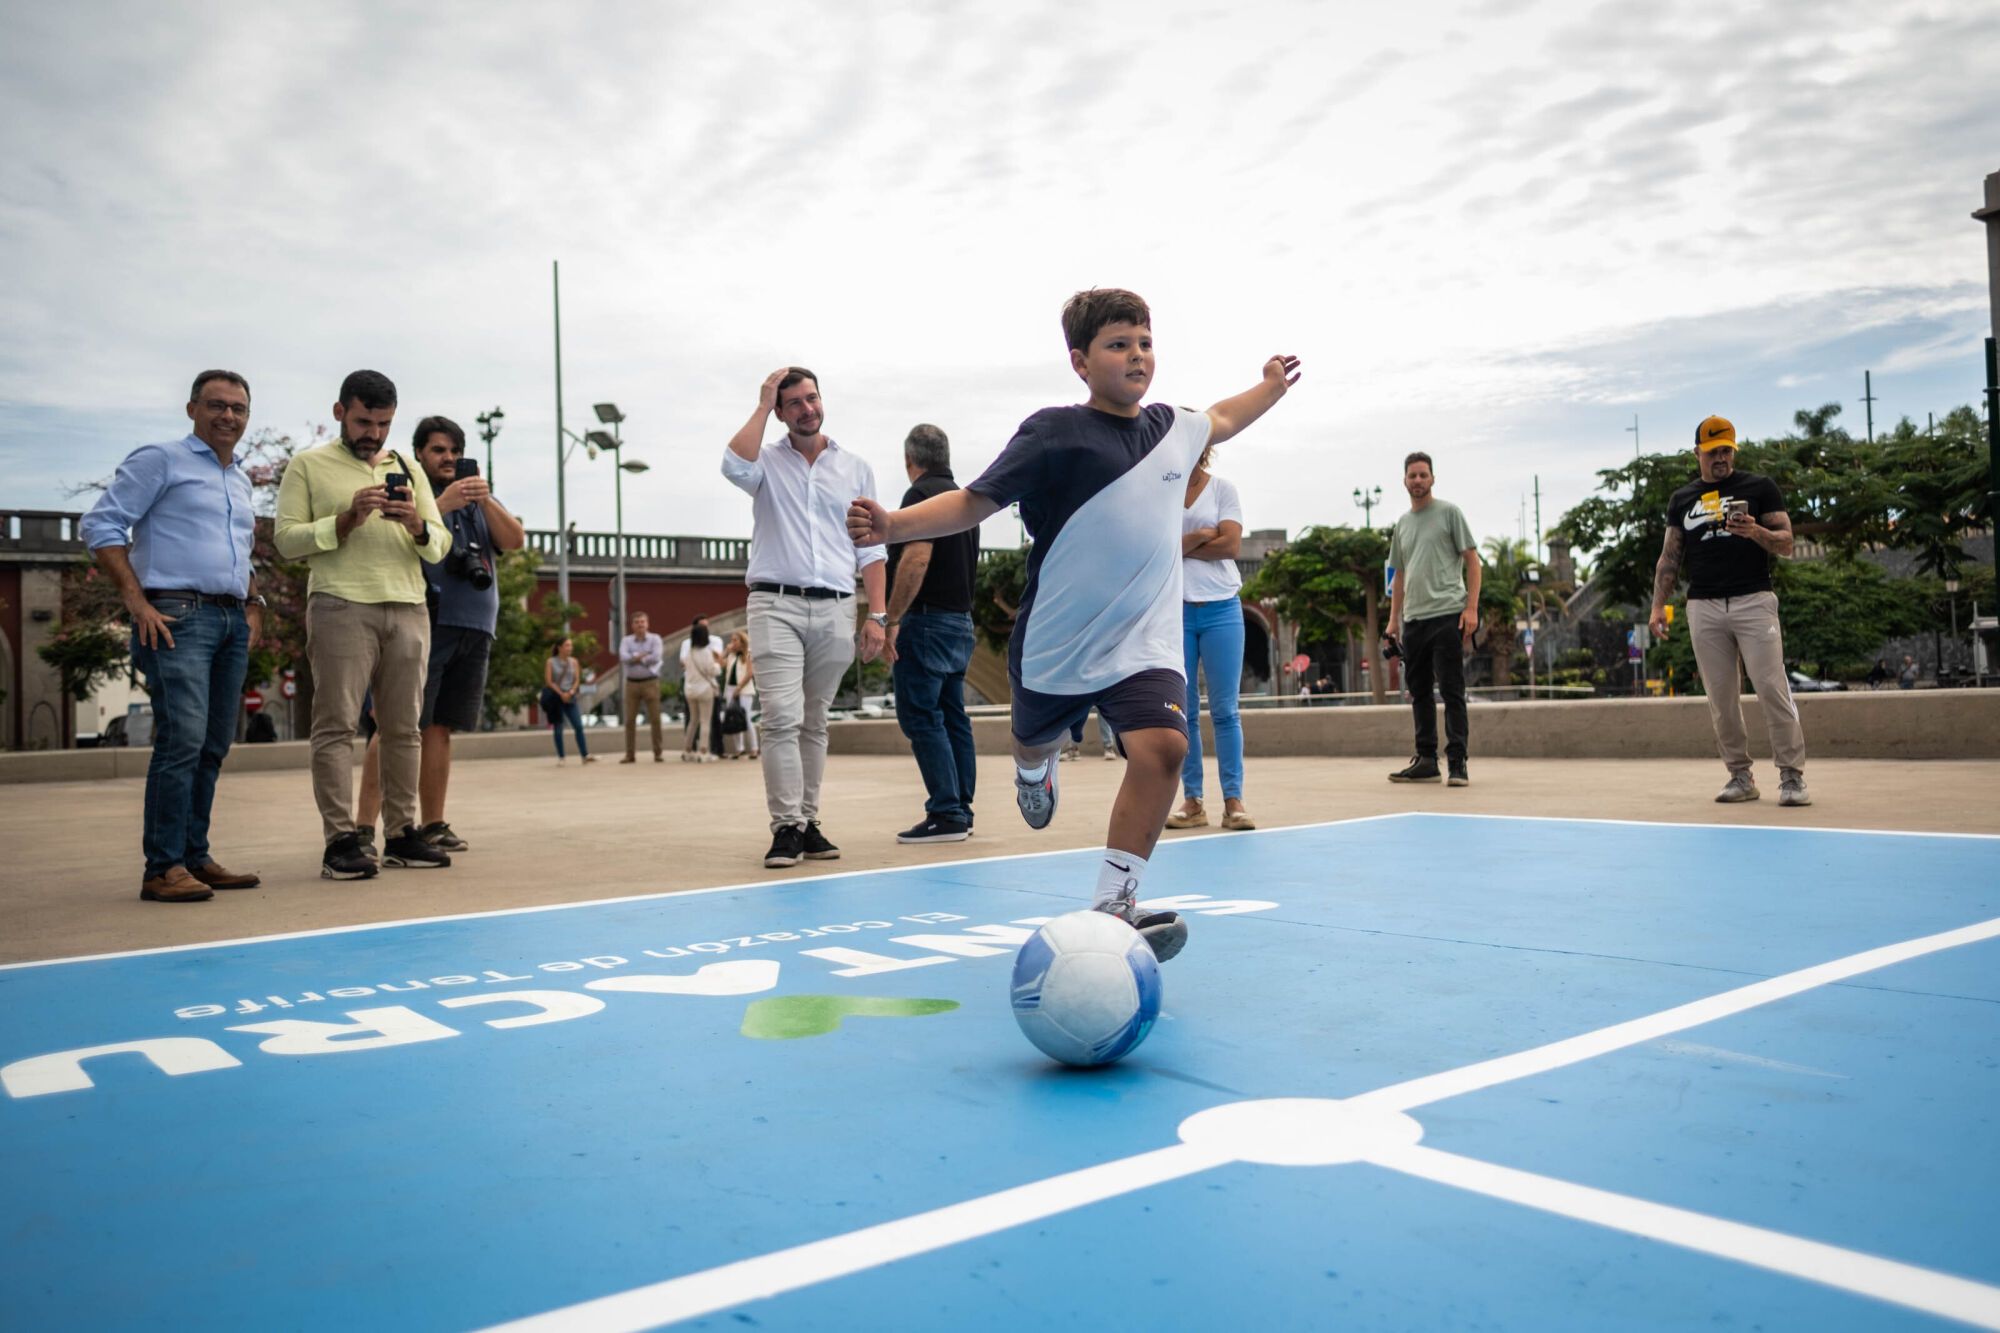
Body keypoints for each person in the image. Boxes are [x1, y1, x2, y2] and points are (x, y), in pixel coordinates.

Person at [847, 288, 1299, 961]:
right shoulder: (1054, 433)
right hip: (1058, 644)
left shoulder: (1172, 428)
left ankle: (1116, 901)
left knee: (1165, 748)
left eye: (1145, 342)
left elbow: (1225, 417)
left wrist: (1269, 386)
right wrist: (893, 524)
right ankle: (1033, 765)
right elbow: (974, 500)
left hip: (1144, 642)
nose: (1137, 355)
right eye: (1119, 344)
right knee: (1034, 740)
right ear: (1081, 362)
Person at [81, 369, 265, 903]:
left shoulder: (241, 480)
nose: (227, 415)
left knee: (212, 744)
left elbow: (237, 553)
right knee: (181, 740)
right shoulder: (160, 459)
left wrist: (253, 605)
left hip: (230, 620)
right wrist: (136, 600)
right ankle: (162, 867)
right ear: (192, 409)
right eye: (216, 405)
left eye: (238, 408)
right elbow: (102, 525)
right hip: (176, 617)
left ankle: (194, 856)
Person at [274, 369, 452, 878]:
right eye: (362, 422)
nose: (372, 433)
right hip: (340, 605)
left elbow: (440, 546)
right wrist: (345, 520)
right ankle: (341, 842)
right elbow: (286, 540)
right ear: (339, 413)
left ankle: (401, 834)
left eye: (382, 423)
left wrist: (417, 523)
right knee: (335, 727)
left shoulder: (409, 470)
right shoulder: (307, 466)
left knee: (403, 729)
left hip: (409, 605)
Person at [723, 366, 889, 869]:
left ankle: (809, 821)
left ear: (822, 400)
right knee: (780, 718)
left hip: (837, 605)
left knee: (815, 722)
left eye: (811, 398)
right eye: (792, 403)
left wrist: (877, 615)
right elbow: (732, 464)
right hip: (775, 603)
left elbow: (871, 548)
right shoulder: (765, 464)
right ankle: (785, 827)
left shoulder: (855, 468)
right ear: (779, 412)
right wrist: (760, 401)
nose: (806, 409)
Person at [352, 415, 525, 853]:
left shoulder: (479, 499)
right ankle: (361, 828)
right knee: (395, 724)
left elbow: (515, 540)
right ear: (420, 455)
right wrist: (442, 502)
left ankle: (433, 824)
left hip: (475, 627)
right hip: (426, 620)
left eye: (453, 451)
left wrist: (483, 501)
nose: (447, 458)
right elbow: (399, 544)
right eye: (437, 450)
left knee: (440, 728)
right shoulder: (412, 496)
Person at [1648, 415, 1809, 806]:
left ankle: (1792, 777)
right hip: (1703, 605)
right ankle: (1740, 776)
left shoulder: (1759, 487)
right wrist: (1657, 606)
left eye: (1726, 451)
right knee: (1721, 697)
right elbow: (1670, 557)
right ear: (1697, 454)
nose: (1720, 458)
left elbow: (1787, 544)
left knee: (1771, 687)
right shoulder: (1682, 499)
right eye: (1712, 452)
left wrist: (1756, 531)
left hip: (1753, 600)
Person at [884, 424, 980, 843]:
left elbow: (916, 559)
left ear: (911, 460)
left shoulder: (920, 496)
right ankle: (961, 806)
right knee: (953, 716)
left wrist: (890, 618)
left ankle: (946, 812)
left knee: (921, 716)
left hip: (926, 621)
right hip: (960, 621)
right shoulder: (964, 499)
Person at [1167, 443, 1253, 830]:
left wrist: (1181, 547)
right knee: (1183, 713)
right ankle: (1193, 801)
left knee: (1225, 710)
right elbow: (1158, 549)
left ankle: (1234, 802)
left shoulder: (1223, 490)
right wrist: (1200, 536)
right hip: (1176, 612)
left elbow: (1232, 545)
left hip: (1222, 609)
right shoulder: (1162, 493)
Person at [1383, 452, 1481, 787]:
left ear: (1433, 479)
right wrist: (1393, 621)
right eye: (1412, 475)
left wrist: (1471, 608)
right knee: (1419, 692)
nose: (1418, 481)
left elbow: (1473, 562)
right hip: (1415, 620)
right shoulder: (1402, 525)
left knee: (1452, 690)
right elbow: (1398, 575)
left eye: (1423, 475)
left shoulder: (1450, 513)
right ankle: (1426, 759)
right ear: (1405, 481)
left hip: (1447, 614)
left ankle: (1457, 762)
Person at [619, 611, 666, 763]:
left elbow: (656, 657)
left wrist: (636, 657)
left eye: (643, 622)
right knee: (630, 720)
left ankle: (658, 752)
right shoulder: (626, 641)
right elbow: (623, 657)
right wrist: (644, 656)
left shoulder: (655, 639)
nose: (640, 625)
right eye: (637, 622)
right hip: (631, 683)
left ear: (647, 624)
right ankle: (630, 754)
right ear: (632, 625)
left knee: (655, 719)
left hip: (650, 682)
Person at [542, 637, 593, 763]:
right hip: (556, 698)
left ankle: (584, 755)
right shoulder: (550, 662)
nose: (570, 648)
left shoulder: (574, 662)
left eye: (571, 645)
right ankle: (561, 757)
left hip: (571, 697)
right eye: (567, 645)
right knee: (558, 728)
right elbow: (549, 681)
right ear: (559, 647)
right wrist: (561, 693)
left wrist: (570, 692)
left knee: (578, 726)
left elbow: (577, 680)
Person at [682, 622, 722, 761]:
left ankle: (687, 750)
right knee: (705, 721)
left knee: (693, 720)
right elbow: (712, 671)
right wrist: (718, 664)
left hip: (690, 689)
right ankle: (703, 751)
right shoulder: (707, 653)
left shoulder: (689, 652)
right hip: (705, 690)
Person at [721, 630, 759, 758]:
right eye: (731, 640)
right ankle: (739, 749)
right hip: (730, 689)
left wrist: (739, 687)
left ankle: (754, 748)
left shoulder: (747, 654)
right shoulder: (731, 656)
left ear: (742, 641)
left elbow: (749, 674)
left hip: (744, 689)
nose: (732, 643)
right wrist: (726, 651)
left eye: (735, 640)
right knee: (733, 718)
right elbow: (720, 663)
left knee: (746, 718)